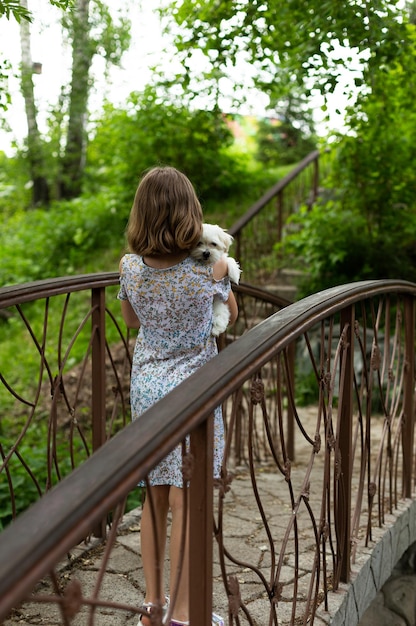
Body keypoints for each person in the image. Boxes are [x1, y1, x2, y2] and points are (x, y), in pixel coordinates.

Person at [118, 166, 238, 626]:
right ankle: (186, 613)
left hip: (149, 387)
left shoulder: (130, 266)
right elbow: (231, 311)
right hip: (194, 391)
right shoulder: (213, 265)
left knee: (155, 498)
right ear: (191, 213)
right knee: (189, 499)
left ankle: (152, 606)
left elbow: (131, 321)